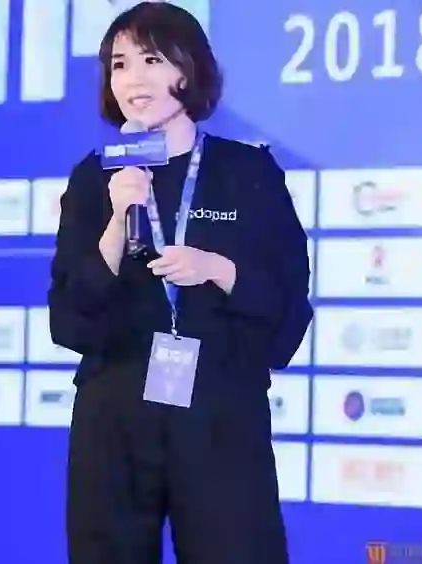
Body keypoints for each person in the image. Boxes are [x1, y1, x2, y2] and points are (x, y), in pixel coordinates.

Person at [47, 3, 312, 563]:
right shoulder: (96, 177)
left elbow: (287, 302)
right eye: (119, 65)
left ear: (188, 70)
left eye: (151, 60)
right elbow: (69, 317)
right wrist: (118, 220)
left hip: (219, 411)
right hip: (115, 415)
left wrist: (217, 270)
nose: (132, 80)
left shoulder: (247, 173)